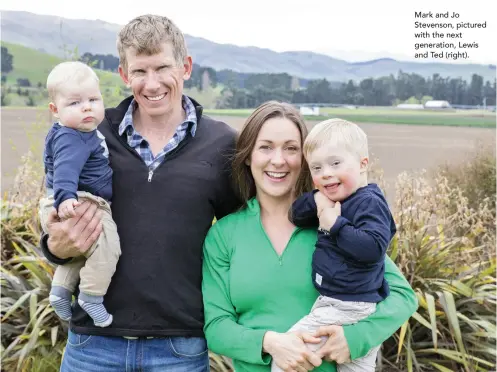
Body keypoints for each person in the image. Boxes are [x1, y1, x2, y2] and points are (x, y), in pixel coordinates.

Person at [39, 14, 239, 371]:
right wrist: (55, 246)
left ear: (186, 67)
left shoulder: (222, 144)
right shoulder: (91, 134)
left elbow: (242, 235)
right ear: (123, 75)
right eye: (139, 72)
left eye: (162, 68)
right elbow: (53, 222)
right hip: (92, 346)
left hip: (179, 348)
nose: (152, 84)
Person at [202, 101, 418, 372]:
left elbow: (402, 296)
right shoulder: (224, 235)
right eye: (265, 147)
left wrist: (355, 338)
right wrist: (271, 343)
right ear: (248, 156)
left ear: (305, 158)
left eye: (291, 148)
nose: (278, 160)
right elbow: (216, 328)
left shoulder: (334, 221)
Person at [270, 119, 396, 372]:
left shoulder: (369, 203)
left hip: (344, 306)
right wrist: (318, 199)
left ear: (363, 164)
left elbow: (372, 249)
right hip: (349, 305)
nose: (326, 173)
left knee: (287, 356)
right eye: (316, 168)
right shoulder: (331, 199)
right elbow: (296, 216)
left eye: (335, 163)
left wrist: (335, 225)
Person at [40, 61, 120, 328]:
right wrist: (66, 198)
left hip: (68, 198)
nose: (87, 107)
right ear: (55, 110)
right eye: (75, 103)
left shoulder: (77, 133)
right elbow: (65, 169)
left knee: (83, 251)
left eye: (93, 99)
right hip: (81, 200)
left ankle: (61, 291)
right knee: (108, 247)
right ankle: (91, 297)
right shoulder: (73, 137)